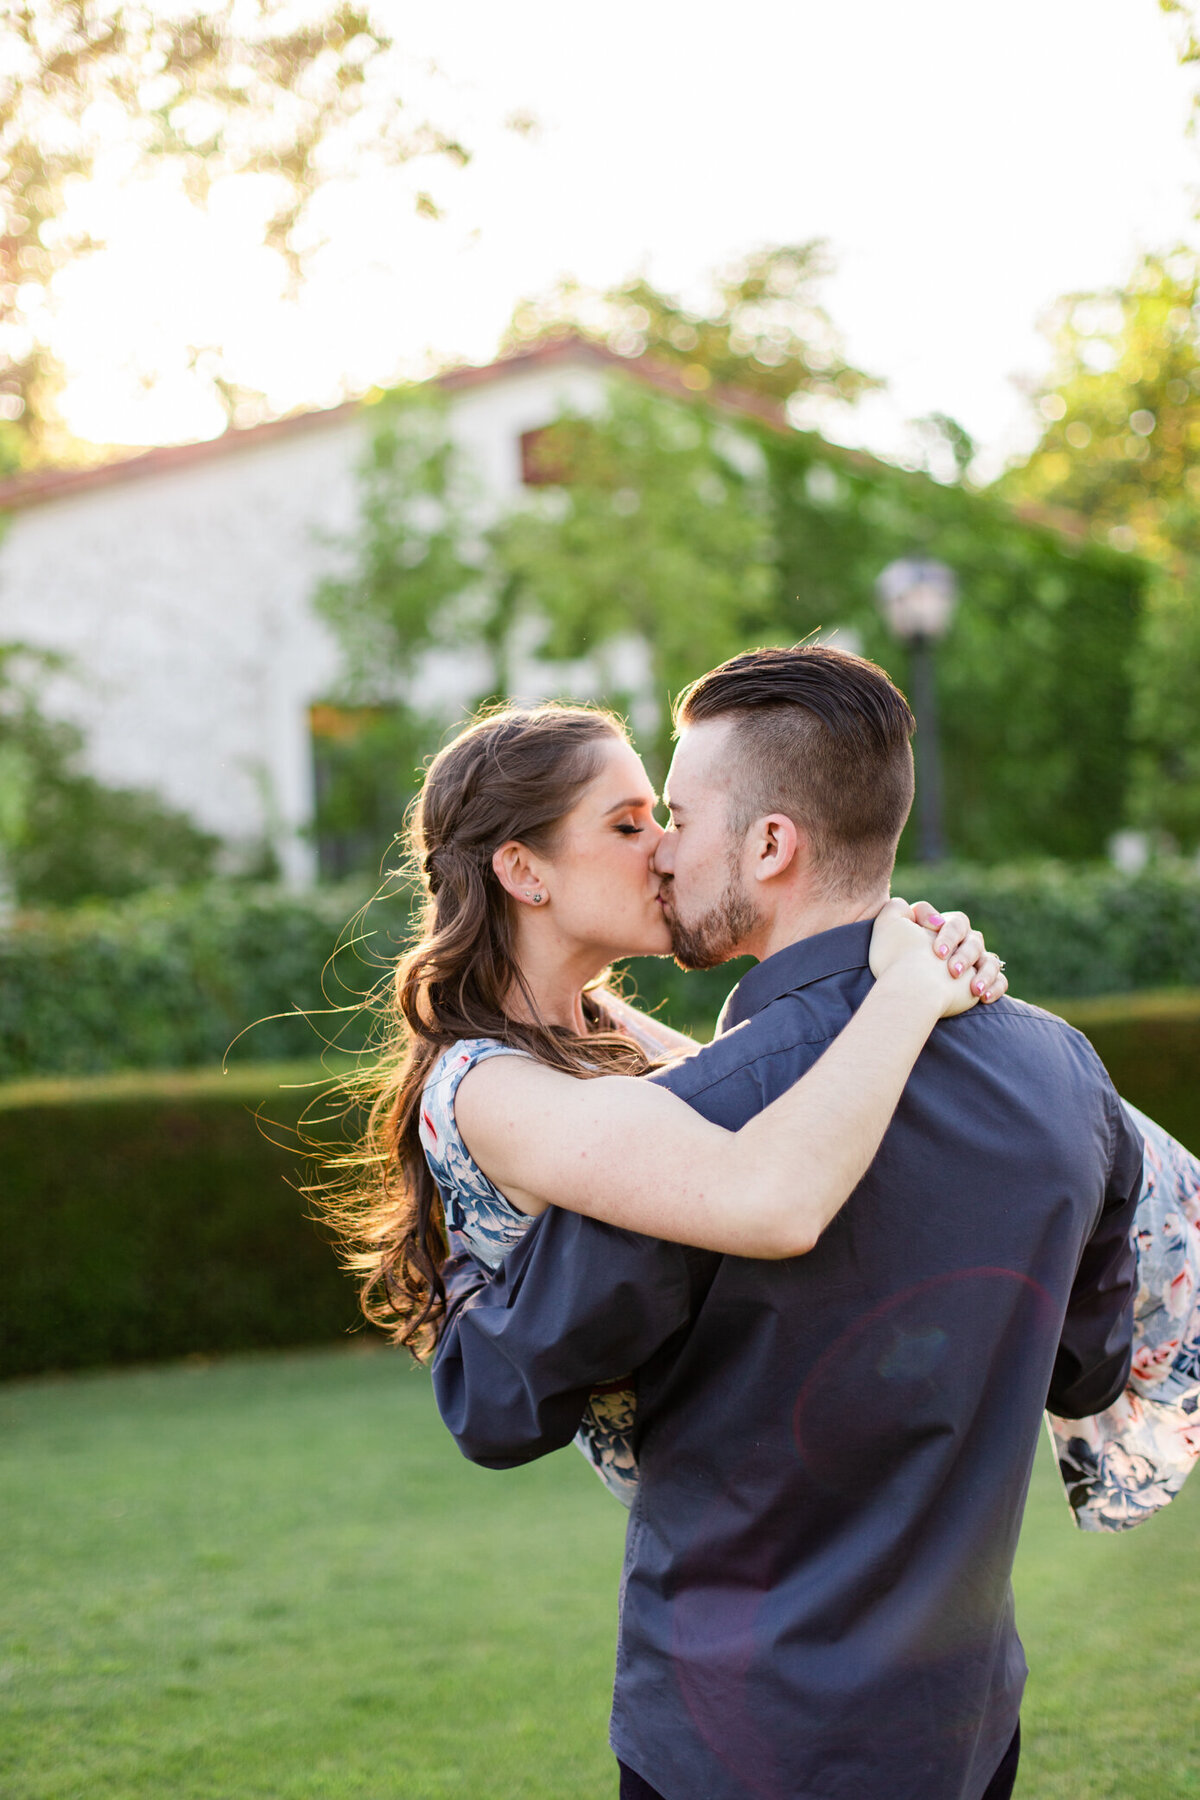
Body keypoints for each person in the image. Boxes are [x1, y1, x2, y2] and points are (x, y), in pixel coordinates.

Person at [429, 644, 1149, 1800]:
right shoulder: (1062, 1070)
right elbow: (1088, 1367)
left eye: (673, 814)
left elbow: (501, 1403)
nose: (663, 849)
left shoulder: (689, 1123)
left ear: (770, 844)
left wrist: (468, 1234)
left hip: (736, 1735)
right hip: (963, 1729)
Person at [320, 691, 1004, 1510]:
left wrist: (896, 935)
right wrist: (909, 989)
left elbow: (805, 1096)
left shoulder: (603, 1029)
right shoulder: (489, 1092)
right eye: (628, 824)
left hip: (799, 1481)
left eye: (662, 818)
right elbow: (772, 1199)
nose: (667, 850)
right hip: (732, 1536)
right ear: (523, 871)